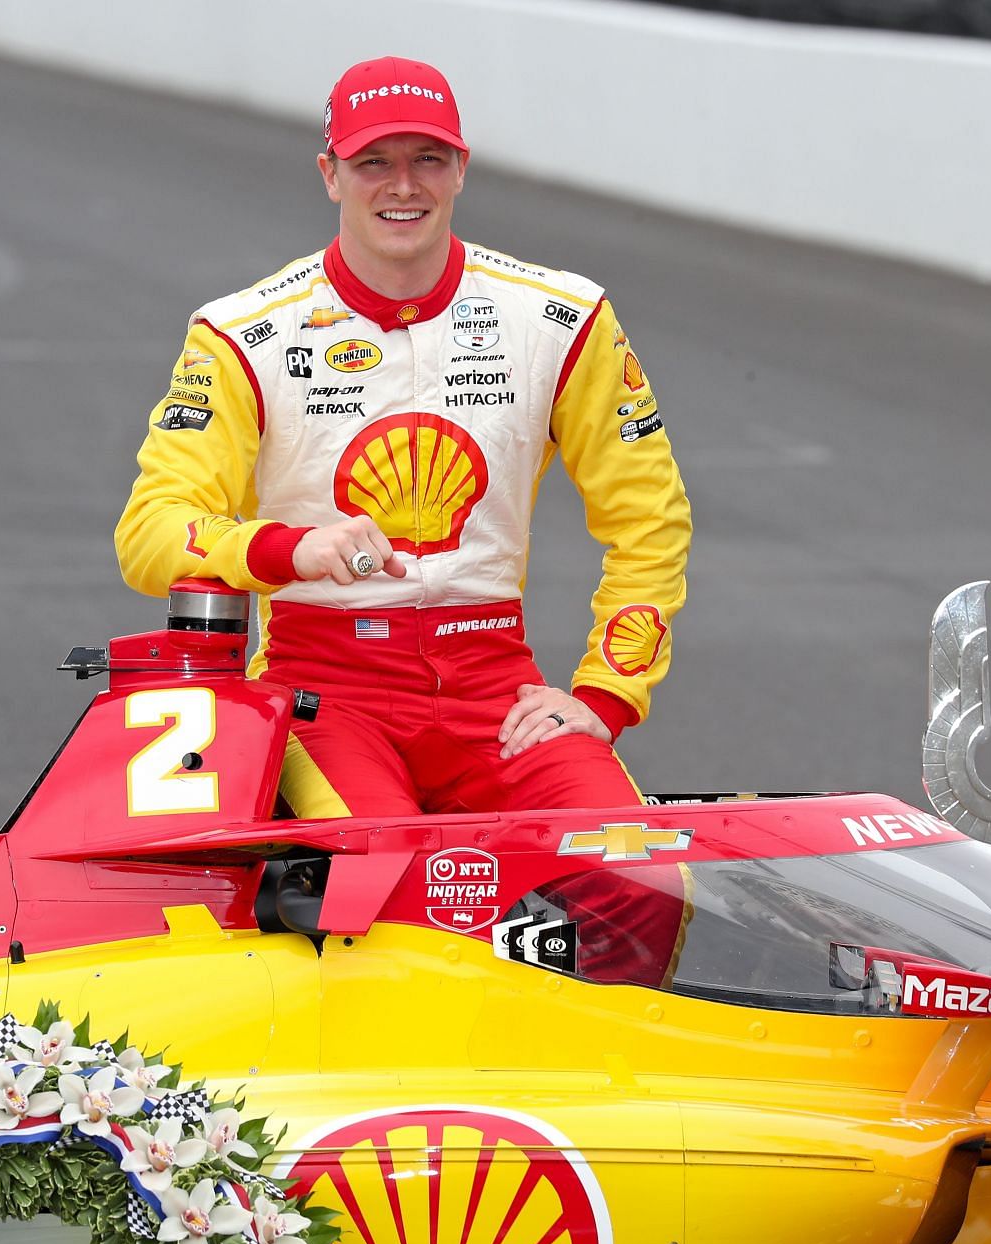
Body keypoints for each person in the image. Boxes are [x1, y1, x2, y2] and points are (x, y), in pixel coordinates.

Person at [115, 56, 692, 830]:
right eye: (373, 162)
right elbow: (149, 533)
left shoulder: (562, 317)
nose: (403, 186)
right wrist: (293, 548)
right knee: (380, 875)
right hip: (323, 691)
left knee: (636, 873)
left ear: (461, 169)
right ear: (330, 174)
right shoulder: (240, 334)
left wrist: (604, 697)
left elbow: (649, 521)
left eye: (428, 159)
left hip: (497, 687)